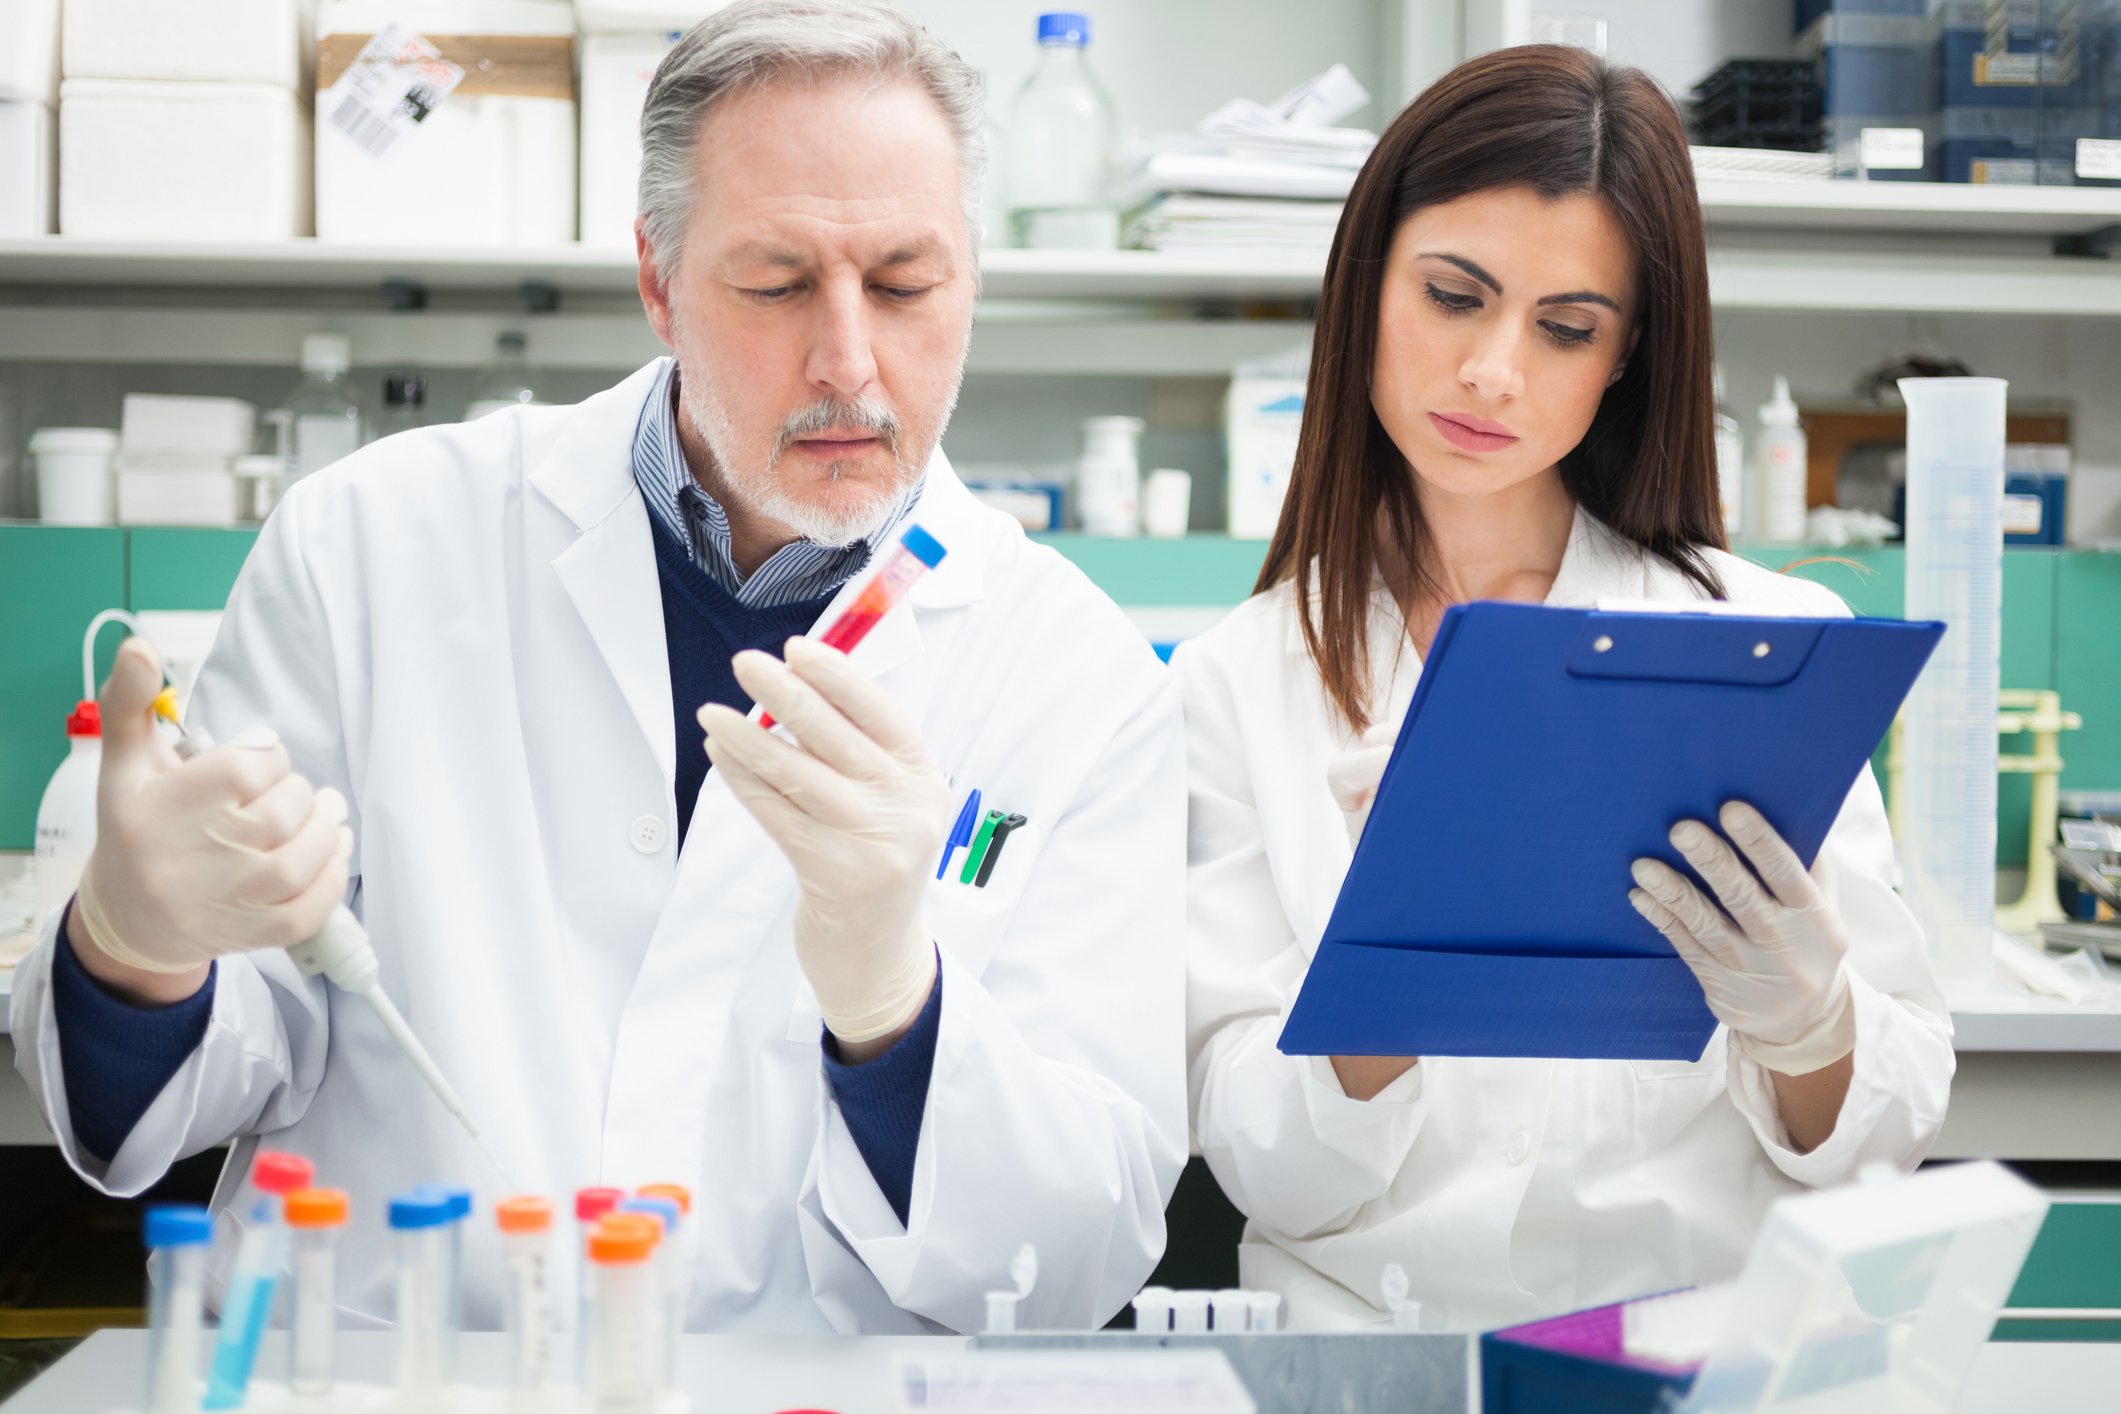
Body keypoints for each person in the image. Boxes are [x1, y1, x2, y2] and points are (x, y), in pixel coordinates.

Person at [10, 0, 1186, 1334]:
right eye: (778, 282)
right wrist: (136, 944)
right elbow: (166, 1098)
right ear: (656, 280)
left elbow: (1075, 1250)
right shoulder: (370, 548)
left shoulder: (1079, 678)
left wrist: (892, 1001)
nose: (850, 360)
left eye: (906, 285)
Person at [1177, 45, 1954, 1333]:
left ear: (1624, 357)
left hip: (1698, 1355)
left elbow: (1880, 1146)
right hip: (1378, 1362)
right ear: (1366, 287)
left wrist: (1811, 1024)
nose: (1495, 370)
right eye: (1452, 295)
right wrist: (1396, 977)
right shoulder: (1232, 690)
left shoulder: (1767, 647)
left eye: (1565, 327)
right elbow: (1267, 1173)